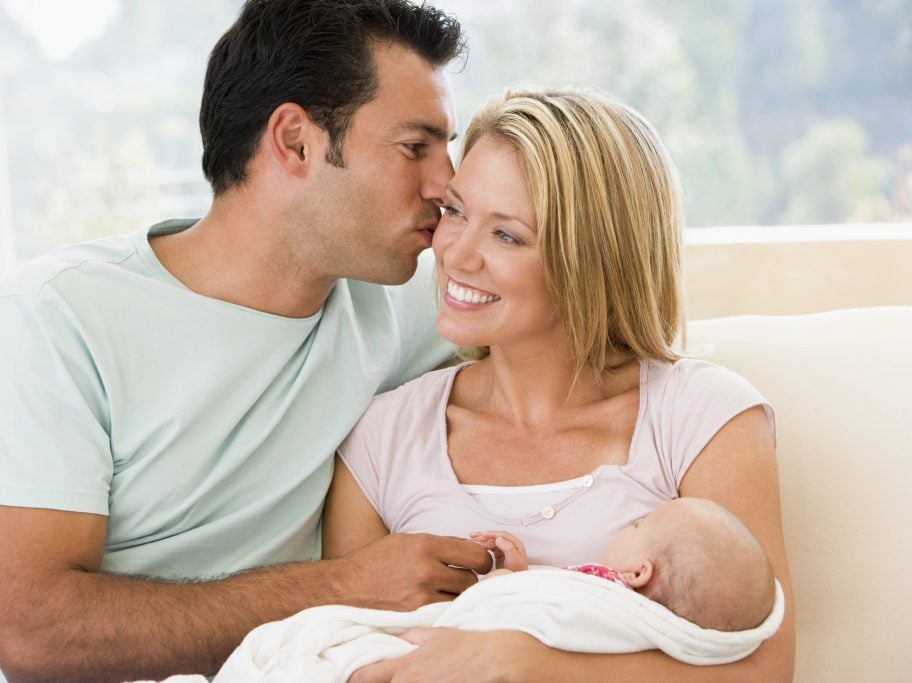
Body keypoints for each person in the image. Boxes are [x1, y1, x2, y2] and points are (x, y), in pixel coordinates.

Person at [0, 2, 500, 682]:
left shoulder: (403, 304)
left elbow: (580, 357)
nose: (447, 184)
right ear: (294, 142)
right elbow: (38, 634)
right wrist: (340, 585)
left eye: (448, 148)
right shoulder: (53, 319)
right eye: (416, 147)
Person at [324, 87, 796, 681]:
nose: (456, 254)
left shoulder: (702, 417)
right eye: (456, 211)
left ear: (592, 260)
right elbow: (335, 644)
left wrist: (532, 665)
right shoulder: (382, 437)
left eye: (508, 235)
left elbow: (764, 668)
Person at [473, 497, 778, 632]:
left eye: (638, 525)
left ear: (638, 573)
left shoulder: (606, 592)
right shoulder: (616, 609)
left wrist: (504, 580)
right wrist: (522, 574)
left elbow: (528, 618)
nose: (632, 523)